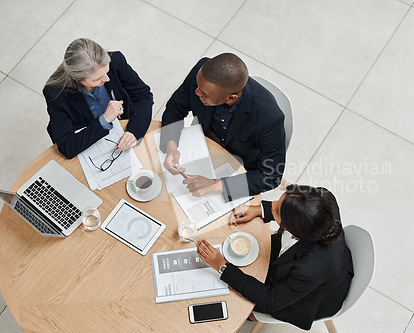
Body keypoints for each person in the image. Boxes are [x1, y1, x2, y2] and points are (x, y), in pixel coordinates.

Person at [196, 185, 354, 330]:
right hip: (315, 268)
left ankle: (252, 314)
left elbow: (270, 301)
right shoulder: (324, 197)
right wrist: (260, 209)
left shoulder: (308, 270)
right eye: (279, 201)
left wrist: (222, 266)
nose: (273, 204)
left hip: (308, 300)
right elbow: (292, 207)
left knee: (237, 300)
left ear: (295, 231)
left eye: (277, 210)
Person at [160, 53, 285, 199]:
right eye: (198, 87)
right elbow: (176, 107)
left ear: (231, 98)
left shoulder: (269, 117)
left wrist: (215, 185)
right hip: (201, 142)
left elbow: (271, 177)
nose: (196, 92)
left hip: (238, 163)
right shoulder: (202, 74)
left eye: (204, 95)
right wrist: (171, 146)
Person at [43, 38, 153, 159]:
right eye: (97, 78)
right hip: (88, 141)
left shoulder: (116, 61)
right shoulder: (55, 93)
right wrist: (104, 120)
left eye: (107, 72)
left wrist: (134, 131)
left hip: (124, 128)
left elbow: (144, 96)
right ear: (76, 78)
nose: (107, 79)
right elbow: (67, 147)